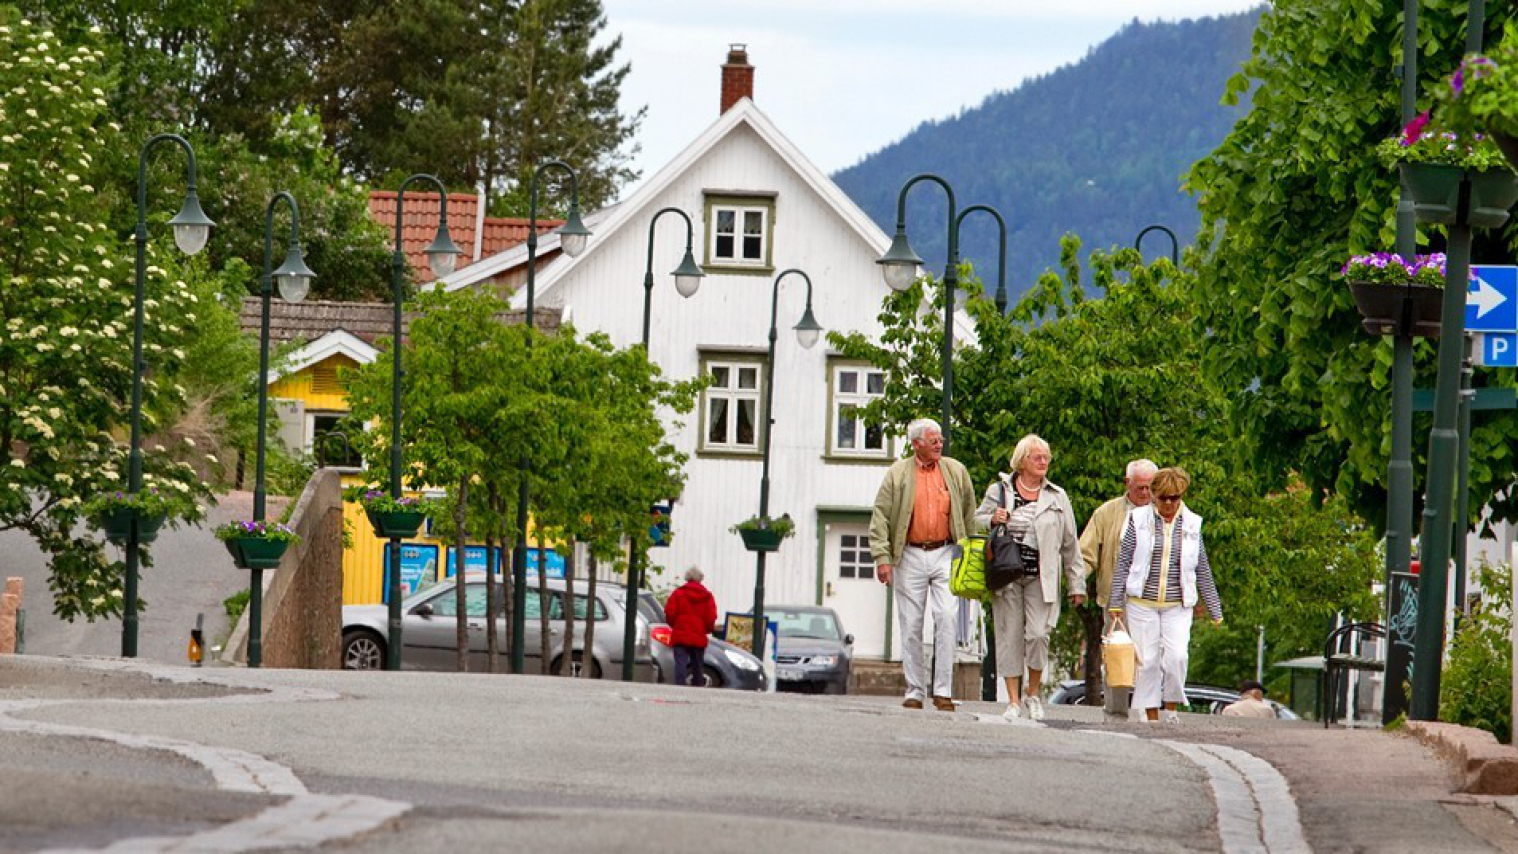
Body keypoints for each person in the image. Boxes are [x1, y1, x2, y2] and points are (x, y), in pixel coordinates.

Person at [974, 434, 1085, 722]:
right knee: (1009, 636)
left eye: (1046, 457)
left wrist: (1077, 584)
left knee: (1038, 635)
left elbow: (1070, 544)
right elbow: (976, 520)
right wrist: (992, 519)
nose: (1043, 462)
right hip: (1007, 574)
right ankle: (1012, 701)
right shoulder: (999, 490)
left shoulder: (1057, 496)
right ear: (1022, 460)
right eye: (1037, 457)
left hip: (1041, 577)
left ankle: (1032, 693)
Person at [869, 417, 977, 711]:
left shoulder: (955, 471)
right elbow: (881, 516)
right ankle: (915, 690)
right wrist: (883, 557)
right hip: (910, 555)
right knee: (911, 624)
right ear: (917, 444)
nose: (940, 444)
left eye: (940, 440)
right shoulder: (898, 473)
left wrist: (970, 550)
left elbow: (968, 511)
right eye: (933, 441)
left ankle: (942, 690)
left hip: (945, 551)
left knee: (946, 617)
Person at [1109, 466, 1223, 724]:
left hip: (1178, 604)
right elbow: (1124, 561)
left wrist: (1214, 608)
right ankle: (1151, 715)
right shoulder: (1137, 520)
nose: (1169, 504)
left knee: (1177, 657)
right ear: (1153, 496)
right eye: (1164, 498)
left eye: (1175, 498)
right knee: (1147, 661)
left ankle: (1170, 708)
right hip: (1141, 602)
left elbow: (1202, 566)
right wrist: (1115, 601)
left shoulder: (1193, 523)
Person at [1078, 459, 1157, 719]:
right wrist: (1077, 582)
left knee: (1151, 654)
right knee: (1117, 653)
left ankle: (1148, 709)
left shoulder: (1164, 512)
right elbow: (1086, 552)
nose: (1146, 494)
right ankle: (1116, 708)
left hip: (1154, 598)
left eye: (1150, 488)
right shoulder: (1107, 512)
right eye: (1140, 488)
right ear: (1127, 484)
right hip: (1116, 598)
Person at [664, 567, 717, 687]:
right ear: (700, 579)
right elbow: (711, 617)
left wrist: (676, 625)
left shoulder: (678, 593)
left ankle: (679, 686)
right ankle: (697, 687)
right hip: (698, 635)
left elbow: (669, 613)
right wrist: (706, 629)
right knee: (697, 665)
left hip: (681, 634)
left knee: (680, 664)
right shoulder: (707, 596)